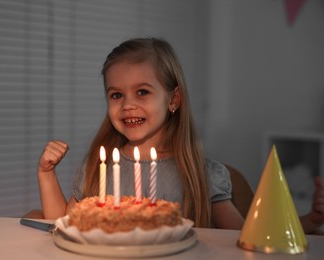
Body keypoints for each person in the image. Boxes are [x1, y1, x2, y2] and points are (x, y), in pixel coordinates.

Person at [34, 37, 324, 233]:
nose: (128, 105)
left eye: (143, 91)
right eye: (116, 94)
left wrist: (310, 220)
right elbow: (60, 226)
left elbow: (247, 237)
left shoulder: (200, 175)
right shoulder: (98, 168)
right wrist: (47, 174)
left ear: (173, 100)